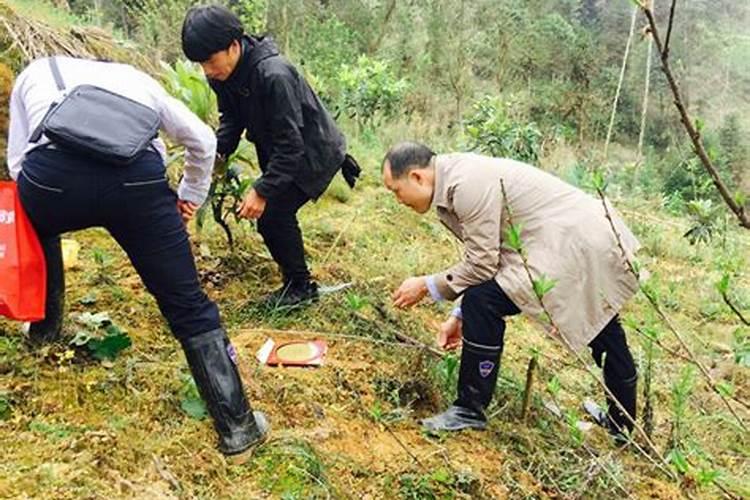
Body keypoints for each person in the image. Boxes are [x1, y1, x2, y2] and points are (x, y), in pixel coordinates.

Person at [6, 55, 268, 455]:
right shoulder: (135, 80)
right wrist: (188, 199)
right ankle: (237, 428)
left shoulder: (38, 70)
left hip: (52, 183)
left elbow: (18, 161)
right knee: (188, 304)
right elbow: (203, 140)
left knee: (37, 223)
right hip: (135, 185)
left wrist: (44, 193)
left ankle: (44, 328)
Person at [383, 142, 641, 441]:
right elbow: (491, 257)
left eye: (395, 190)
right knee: (602, 326)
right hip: (571, 239)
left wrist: (427, 286)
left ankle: (469, 409)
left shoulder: (464, 185)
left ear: (416, 177)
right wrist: (459, 313)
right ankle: (622, 427)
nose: (397, 200)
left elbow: (482, 264)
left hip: (574, 243)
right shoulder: (456, 177)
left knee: (485, 302)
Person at [181, 4, 360, 307]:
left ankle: (300, 288)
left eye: (210, 61)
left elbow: (291, 145)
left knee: (273, 214)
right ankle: (298, 281)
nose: (207, 71)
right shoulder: (223, 76)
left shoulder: (273, 75)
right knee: (274, 213)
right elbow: (231, 120)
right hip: (281, 147)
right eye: (200, 64)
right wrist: (211, 155)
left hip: (312, 151)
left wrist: (262, 190)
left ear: (234, 46)